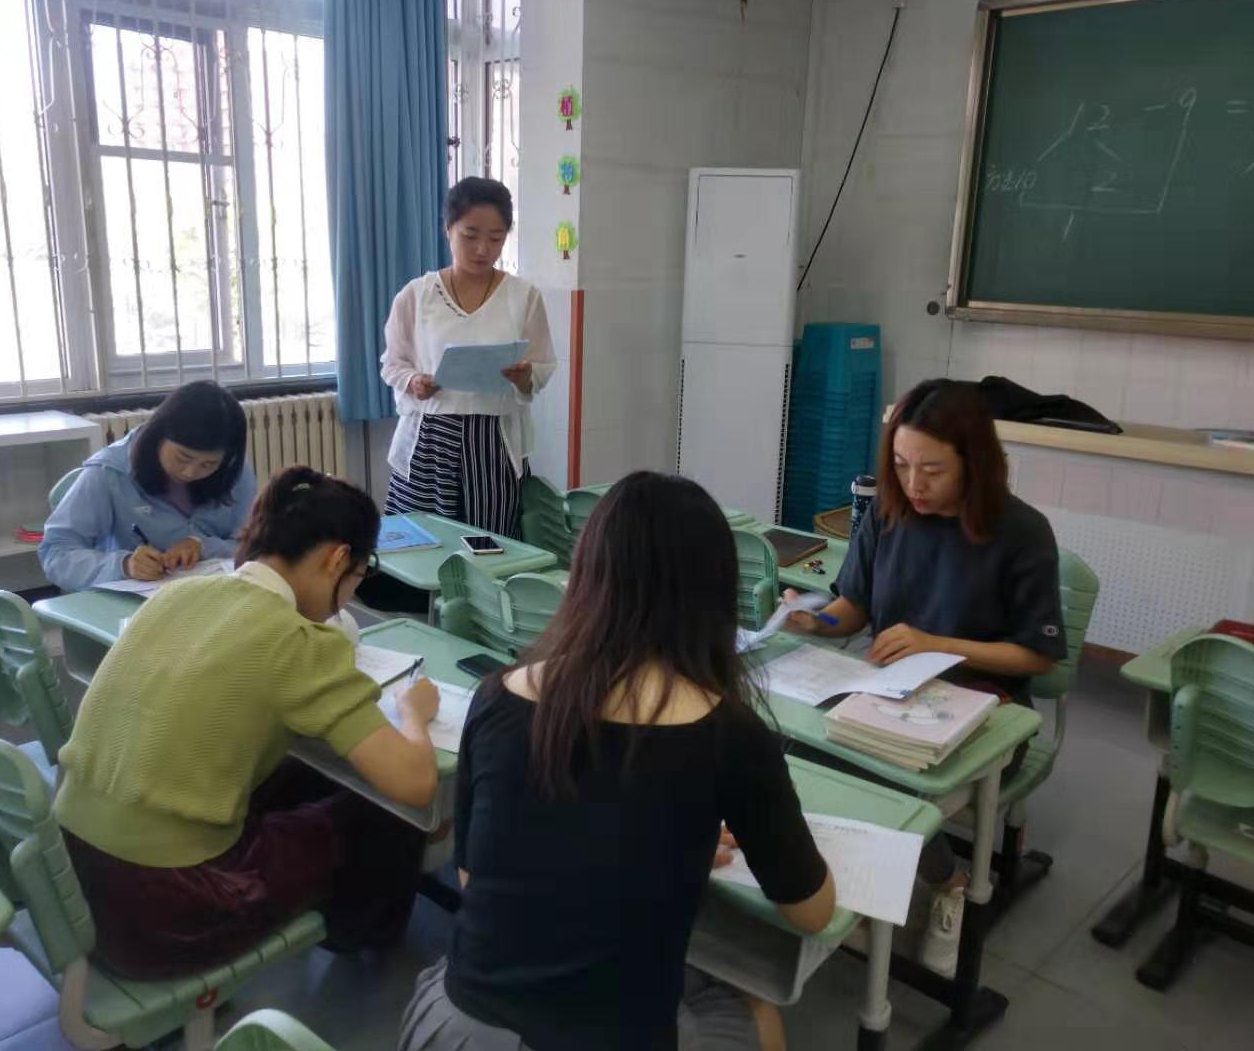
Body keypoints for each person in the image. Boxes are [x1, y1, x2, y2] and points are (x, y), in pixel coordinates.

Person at [399, 471, 837, 1051]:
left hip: (456, 1027)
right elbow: (812, 913)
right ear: (713, 594)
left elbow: (472, 876)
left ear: (585, 574)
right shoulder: (732, 735)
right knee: (756, 1007)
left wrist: (657, 840)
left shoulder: (498, 694)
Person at [53, 466, 441, 978]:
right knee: (383, 811)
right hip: (158, 916)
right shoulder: (298, 642)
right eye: (357, 577)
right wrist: (412, 712)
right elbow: (414, 783)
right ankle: (360, 940)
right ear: (338, 559)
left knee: (304, 772)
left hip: (70, 880)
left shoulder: (177, 595)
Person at [786, 377, 1067, 979]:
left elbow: (1038, 657)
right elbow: (853, 607)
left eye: (932, 470)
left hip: (988, 709)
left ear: (974, 463)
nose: (914, 484)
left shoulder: (1021, 532)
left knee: (889, 776)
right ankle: (858, 876)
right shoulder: (890, 514)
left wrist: (939, 644)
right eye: (901, 464)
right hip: (888, 693)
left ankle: (948, 884)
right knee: (799, 751)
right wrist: (816, 620)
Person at [379, 177, 557, 540]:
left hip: (493, 441)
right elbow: (392, 364)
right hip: (431, 439)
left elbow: (542, 365)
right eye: (470, 235)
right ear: (448, 229)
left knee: (490, 544)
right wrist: (413, 382)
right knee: (422, 541)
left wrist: (525, 376)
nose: (482, 249)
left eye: (495, 238)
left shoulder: (523, 296)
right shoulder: (416, 295)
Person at [39, 380, 256, 592]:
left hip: (215, 594)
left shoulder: (232, 470)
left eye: (208, 464)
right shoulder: (109, 472)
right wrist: (124, 565)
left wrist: (202, 546)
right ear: (158, 436)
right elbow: (56, 553)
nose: (190, 472)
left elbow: (256, 545)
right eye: (182, 458)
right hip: (135, 603)